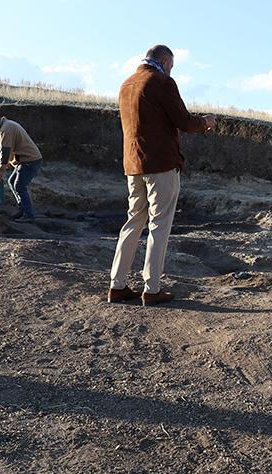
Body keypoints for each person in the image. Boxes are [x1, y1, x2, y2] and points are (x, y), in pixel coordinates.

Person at [108, 44, 217, 306]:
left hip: (133, 165)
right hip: (161, 164)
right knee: (159, 224)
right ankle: (152, 288)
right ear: (165, 60)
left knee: (133, 222)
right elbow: (184, 121)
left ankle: (117, 285)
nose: (170, 71)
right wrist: (207, 122)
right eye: (171, 66)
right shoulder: (161, 82)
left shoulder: (126, 85)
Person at [0, 113, 43, 222]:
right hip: (25, 160)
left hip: (29, 160)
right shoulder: (7, 125)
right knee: (12, 181)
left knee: (19, 186)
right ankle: (22, 210)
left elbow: (5, 154)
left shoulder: (6, 129)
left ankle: (29, 215)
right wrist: (8, 165)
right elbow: (13, 150)